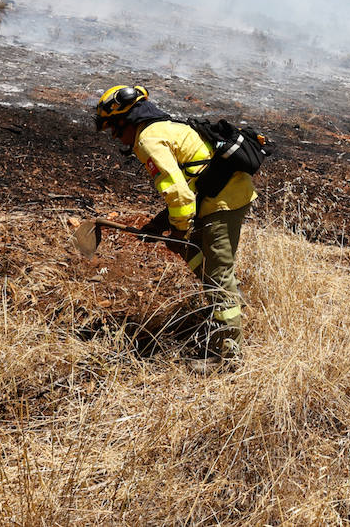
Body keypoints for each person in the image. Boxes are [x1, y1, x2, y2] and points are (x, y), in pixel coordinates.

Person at [94, 84, 254, 363]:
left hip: (222, 202)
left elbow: (179, 194)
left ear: (127, 120)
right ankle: (230, 303)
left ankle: (228, 356)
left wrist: (178, 229)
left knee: (219, 274)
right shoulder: (164, 127)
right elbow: (192, 180)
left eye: (114, 130)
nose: (116, 138)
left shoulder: (148, 140)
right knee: (191, 251)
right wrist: (160, 225)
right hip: (222, 193)